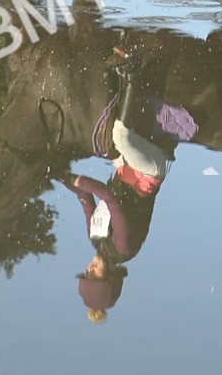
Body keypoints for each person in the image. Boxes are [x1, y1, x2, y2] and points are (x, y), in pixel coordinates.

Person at [63, 45, 195, 323]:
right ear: (110, 274)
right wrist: (81, 181)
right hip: (148, 173)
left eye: (85, 271)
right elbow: (108, 197)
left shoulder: (94, 238)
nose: (89, 267)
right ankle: (133, 71)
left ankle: (119, 82)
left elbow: (85, 201)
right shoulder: (125, 248)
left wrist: (60, 178)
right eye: (93, 274)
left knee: (97, 138)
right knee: (121, 136)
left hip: (123, 170)